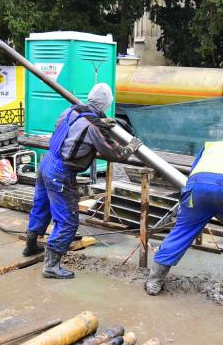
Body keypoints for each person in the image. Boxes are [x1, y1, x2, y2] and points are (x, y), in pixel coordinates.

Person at [24, 83, 142, 279]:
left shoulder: (71, 110)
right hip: (61, 171)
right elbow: (113, 153)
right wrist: (131, 147)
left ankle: (30, 246)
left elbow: (69, 129)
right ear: (106, 104)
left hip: (47, 162)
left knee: (41, 207)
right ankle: (51, 266)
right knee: (68, 220)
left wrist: (103, 122)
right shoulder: (94, 126)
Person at [145, 133, 223, 295]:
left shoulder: (210, 147)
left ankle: (154, 281)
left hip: (196, 191)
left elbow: (194, 173)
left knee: (182, 232)